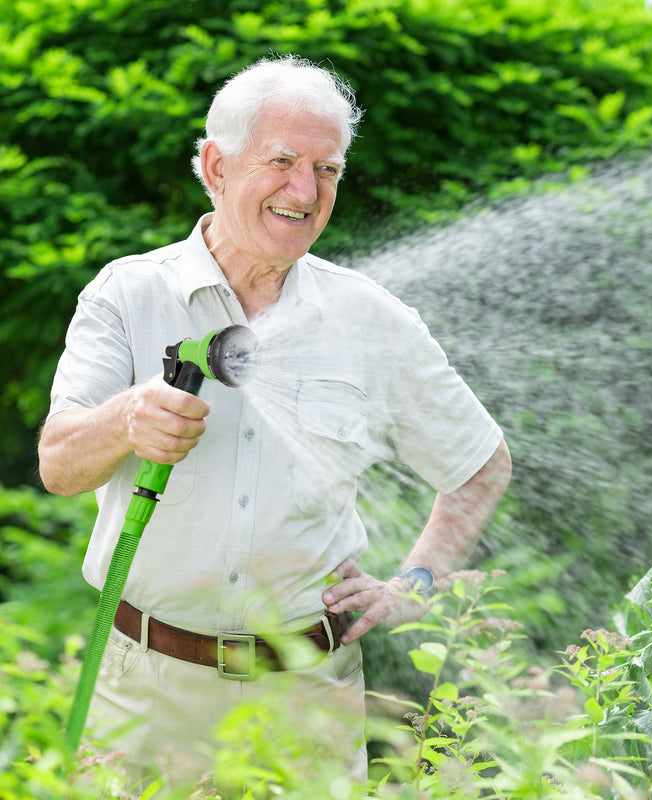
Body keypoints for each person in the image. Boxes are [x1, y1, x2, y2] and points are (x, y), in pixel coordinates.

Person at [38, 54, 512, 791]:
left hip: (305, 696)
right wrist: (127, 419)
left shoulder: (370, 319)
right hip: (143, 690)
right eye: (283, 161)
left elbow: (482, 465)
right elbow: (59, 465)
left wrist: (414, 583)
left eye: (327, 169)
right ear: (216, 167)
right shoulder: (127, 295)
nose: (305, 190)